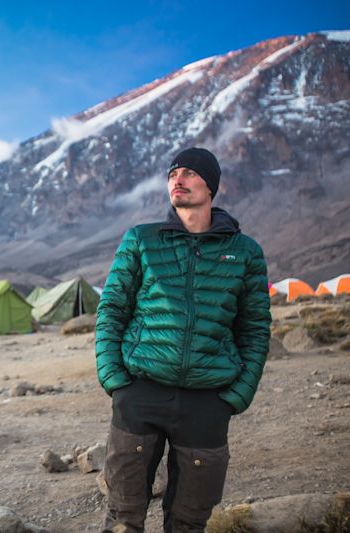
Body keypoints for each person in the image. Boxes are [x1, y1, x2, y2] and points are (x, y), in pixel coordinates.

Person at [95, 147, 271, 532]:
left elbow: (255, 328)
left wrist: (237, 394)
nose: (178, 179)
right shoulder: (142, 239)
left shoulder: (244, 253)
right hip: (140, 392)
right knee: (124, 514)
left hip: (208, 401)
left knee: (190, 520)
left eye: (190, 172)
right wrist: (115, 380)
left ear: (211, 186)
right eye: (173, 173)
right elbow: (111, 309)